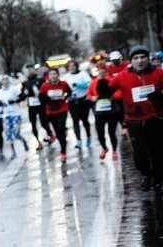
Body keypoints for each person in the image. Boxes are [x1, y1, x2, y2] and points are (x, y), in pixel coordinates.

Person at [104, 46, 163, 191]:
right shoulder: (122, 76)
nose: (140, 60)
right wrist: (102, 87)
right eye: (136, 58)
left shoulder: (158, 72)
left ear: (148, 58)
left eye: (143, 57)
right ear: (131, 61)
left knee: (158, 152)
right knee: (140, 153)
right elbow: (108, 89)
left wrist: (161, 93)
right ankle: (146, 174)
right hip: (134, 121)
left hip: (156, 119)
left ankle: (158, 178)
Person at [87, 62, 121, 160]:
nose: (101, 71)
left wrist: (113, 96)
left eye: (103, 69)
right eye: (99, 69)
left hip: (112, 111)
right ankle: (104, 148)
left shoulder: (112, 80)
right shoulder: (93, 82)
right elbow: (89, 93)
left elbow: (119, 91)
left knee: (112, 132)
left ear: (106, 70)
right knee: (100, 133)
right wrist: (92, 98)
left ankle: (114, 151)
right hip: (99, 111)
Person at [39, 68, 72, 161]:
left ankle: (63, 152)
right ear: (48, 76)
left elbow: (69, 92)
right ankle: (62, 144)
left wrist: (65, 97)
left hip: (62, 109)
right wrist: (49, 98)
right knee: (57, 132)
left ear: (58, 75)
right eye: (51, 74)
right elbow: (41, 99)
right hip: (51, 111)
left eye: (54, 74)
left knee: (61, 130)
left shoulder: (63, 84)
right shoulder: (45, 85)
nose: (53, 76)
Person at [64, 59, 93, 149]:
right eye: (70, 66)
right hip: (73, 101)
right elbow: (65, 88)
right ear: (68, 68)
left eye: (73, 66)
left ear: (76, 66)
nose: (72, 68)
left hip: (83, 100)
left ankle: (88, 137)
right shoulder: (66, 76)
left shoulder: (82, 74)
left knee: (85, 120)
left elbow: (90, 84)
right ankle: (78, 141)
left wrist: (78, 85)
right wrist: (65, 95)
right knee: (75, 121)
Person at [21, 68, 53, 149]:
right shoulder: (25, 83)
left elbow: (46, 90)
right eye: (28, 70)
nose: (30, 71)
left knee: (44, 123)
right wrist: (24, 94)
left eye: (31, 69)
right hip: (31, 106)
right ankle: (38, 142)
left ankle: (51, 134)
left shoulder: (40, 79)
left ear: (34, 70)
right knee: (33, 125)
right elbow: (22, 96)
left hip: (41, 105)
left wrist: (41, 94)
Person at [0, 75, 28, 158]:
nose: (5, 82)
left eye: (6, 80)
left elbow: (22, 97)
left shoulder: (13, 88)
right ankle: (13, 152)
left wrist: (15, 100)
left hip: (16, 114)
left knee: (16, 133)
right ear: (1, 82)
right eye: (3, 80)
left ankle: (24, 141)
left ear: (9, 81)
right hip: (6, 115)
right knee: (8, 134)